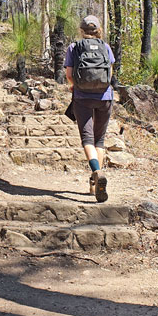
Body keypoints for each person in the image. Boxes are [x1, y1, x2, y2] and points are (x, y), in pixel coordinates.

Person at [64, 15, 114, 203]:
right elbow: (109, 72)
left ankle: (96, 172)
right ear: (98, 29)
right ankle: (94, 186)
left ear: (82, 30)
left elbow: (69, 74)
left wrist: (75, 84)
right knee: (99, 140)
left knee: (87, 139)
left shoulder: (74, 47)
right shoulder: (105, 47)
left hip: (82, 98)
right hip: (105, 98)